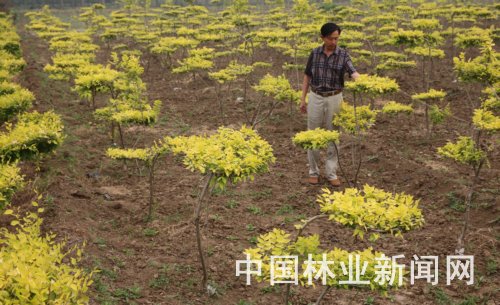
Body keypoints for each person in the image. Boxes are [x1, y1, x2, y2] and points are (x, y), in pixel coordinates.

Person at [300, 22, 360, 187]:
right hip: (316, 96)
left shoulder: (343, 54)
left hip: (335, 97)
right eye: (331, 39)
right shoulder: (314, 54)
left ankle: (331, 172)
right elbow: (307, 76)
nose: (334, 42)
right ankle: (313, 171)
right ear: (323, 38)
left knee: (333, 135)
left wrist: (361, 81)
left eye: (336, 38)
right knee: (313, 134)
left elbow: (352, 72)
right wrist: (303, 98)